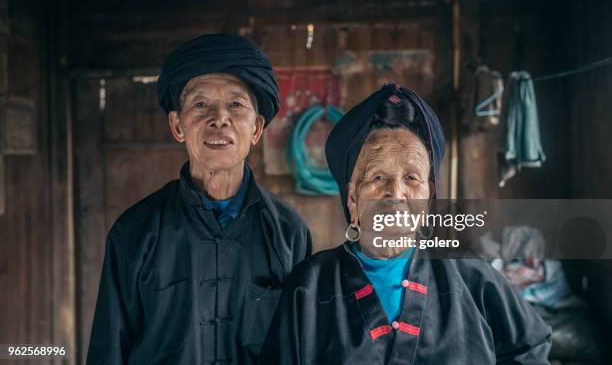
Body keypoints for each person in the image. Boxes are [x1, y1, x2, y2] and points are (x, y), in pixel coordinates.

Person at [259, 83, 551, 364]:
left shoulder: (471, 276)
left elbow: (530, 349)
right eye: (377, 178)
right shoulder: (309, 287)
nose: (395, 194)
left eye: (411, 178)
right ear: (352, 200)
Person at [87, 34, 312, 365]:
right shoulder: (135, 232)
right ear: (177, 126)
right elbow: (108, 352)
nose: (219, 118)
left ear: (256, 128)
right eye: (200, 104)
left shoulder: (289, 233)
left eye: (236, 105)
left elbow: (303, 348)